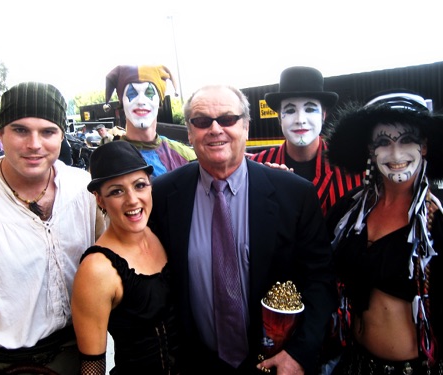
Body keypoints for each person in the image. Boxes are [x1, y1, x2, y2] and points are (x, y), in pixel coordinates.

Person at [149, 84, 337, 374]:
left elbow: (319, 281)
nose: (215, 129)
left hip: (275, 363)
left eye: (227, 119)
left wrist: (299, 353)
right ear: (189, 132)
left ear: (246, 127)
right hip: (196, 365)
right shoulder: (162, 196)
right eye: (201, 121)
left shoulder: (294, 195)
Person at [325, 91, 443, 374]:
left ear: (424, 146)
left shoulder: (441, 225)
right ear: (370, 149)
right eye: (383, 142)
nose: (395, 154)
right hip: (352, 362)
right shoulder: (349, 212)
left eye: (407, 140)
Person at [0, 81, 105, 374]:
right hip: (0, 365)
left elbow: (106, 262)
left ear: (61, 136)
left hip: (81, 355)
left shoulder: (82, 188)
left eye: (47, 131)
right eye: (20, 130)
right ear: (1, 133)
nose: (34, 144)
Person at [71, 141, 179, 375]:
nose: (132, 200)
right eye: (117, 191)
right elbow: (92, 365)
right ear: (100, 200)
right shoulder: (97, 269)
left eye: (140, 185)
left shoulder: (161, 230)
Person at [249, 66, 363, 216]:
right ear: (279, 118)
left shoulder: (351, 167)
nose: (300, 120)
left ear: (323, 115)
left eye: (310, 109)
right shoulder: (257, 167)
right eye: (290, 111)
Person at [104, 64, 196, 177]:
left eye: (149, 93)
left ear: (159, 101)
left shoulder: (186, 156)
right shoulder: (106, 160)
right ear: (122, 102)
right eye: (132, 93)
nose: (141, 101)